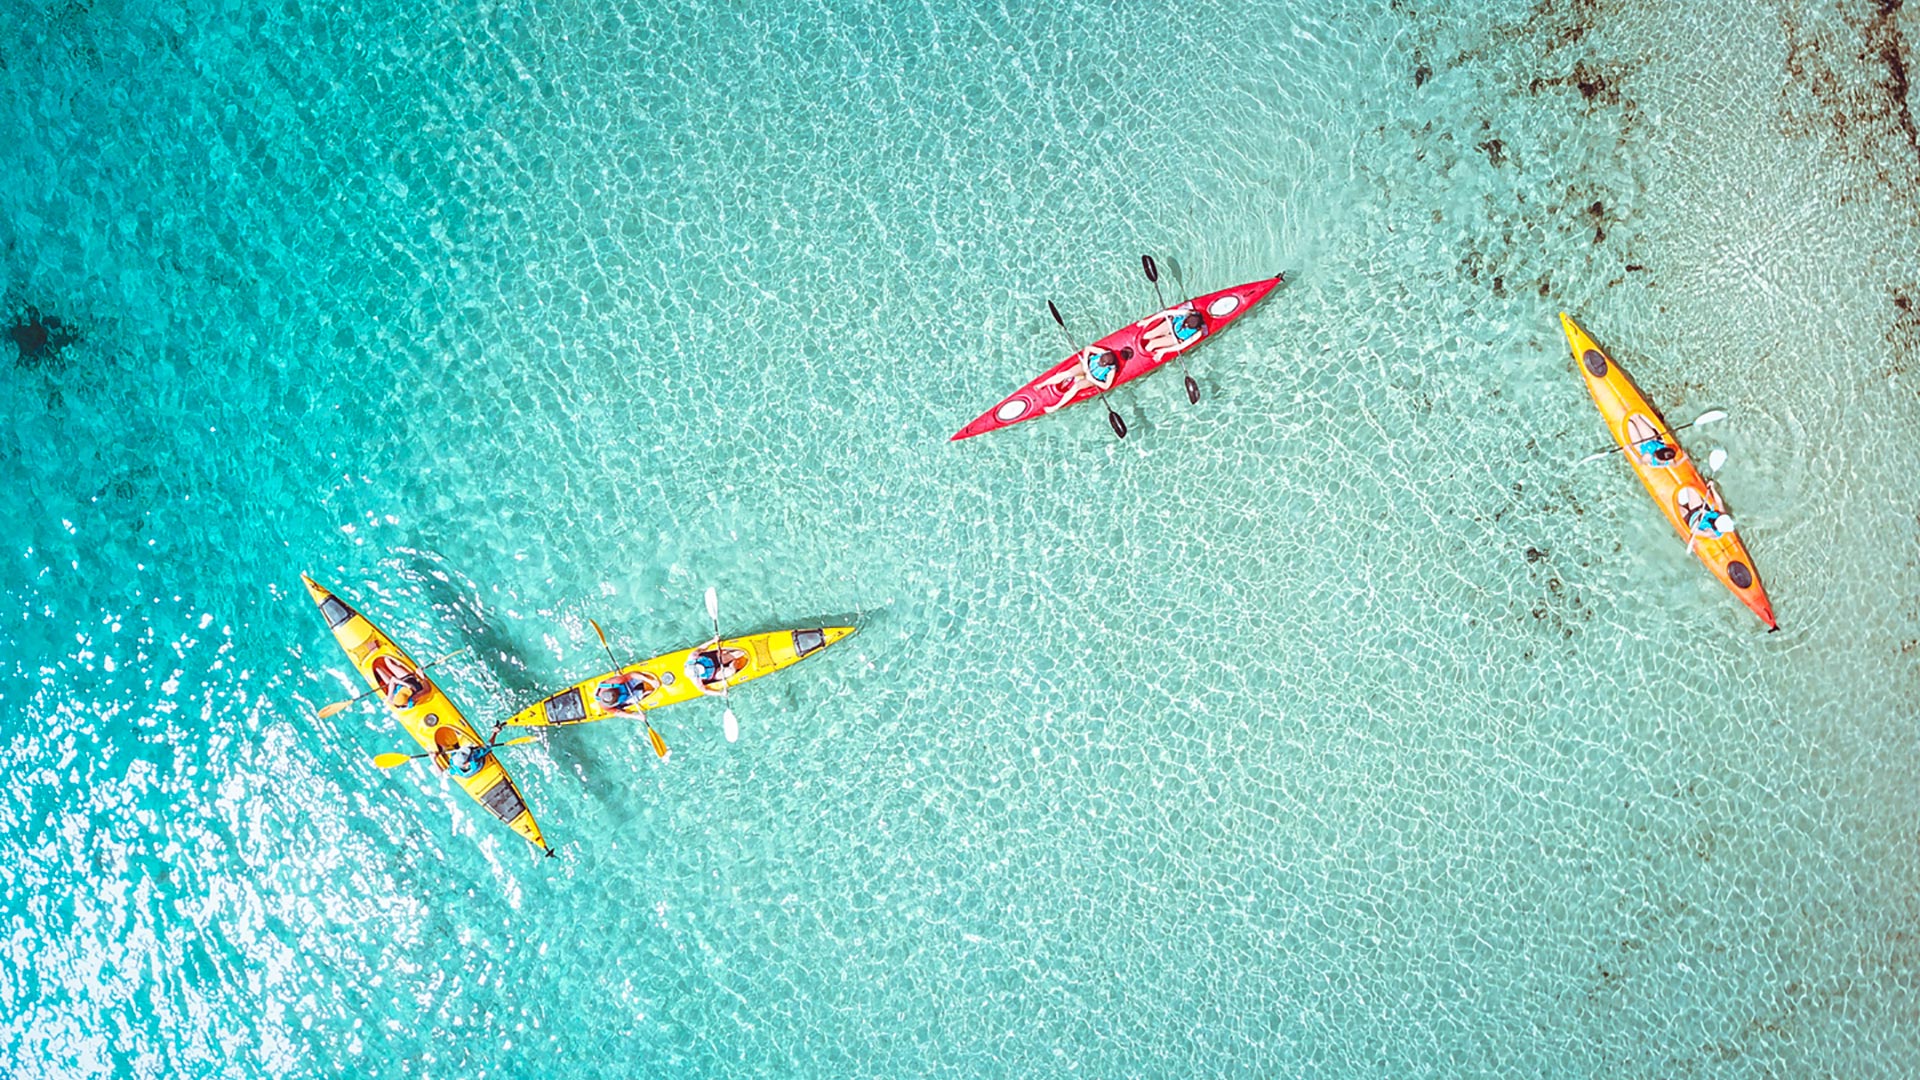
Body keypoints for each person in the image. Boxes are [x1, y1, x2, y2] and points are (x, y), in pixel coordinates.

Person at [1040, 345, 1126, 414]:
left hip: (1093, 378)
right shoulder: (1102, 353)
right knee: (1068, 373)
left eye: (1101, 364)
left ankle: (1055, 407)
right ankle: (1042, 384)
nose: (1099, 362)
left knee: (1076, 386)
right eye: (1100, 361)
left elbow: (1106, 386)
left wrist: (1092, 378)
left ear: (1107, 365)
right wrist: (1085, 363)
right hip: (1086, 367)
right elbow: (1088, 348)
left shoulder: (1111, 370)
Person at [1138, 304, 1206, 363]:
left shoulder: (1198, 333)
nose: (1185, 325)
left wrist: (1164, 350)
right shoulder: (1187, 313)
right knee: (1147, 335)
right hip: (1170, 325)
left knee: (1151, 345)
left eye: (1188, 327)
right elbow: (1166, 312)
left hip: (1175, 338)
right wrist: (1148, 321)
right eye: (1186, 322)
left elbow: (1182, 346)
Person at [1678, 485, 1737, 554]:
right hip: (1698, 509)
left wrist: (1699, 518)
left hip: (1691, 519)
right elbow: (1719, 502)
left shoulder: (1711, 533)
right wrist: (1712, 488)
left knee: (1679, 509)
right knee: (1691, 487)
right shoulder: (1722, 514)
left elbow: (1693, 530)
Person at [594, 670, 661, 717]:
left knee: (641, 677)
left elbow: (632, 675)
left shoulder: (616, 681)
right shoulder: (604, 706)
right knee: (642, 696)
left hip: (625, 684)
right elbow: (618, 713)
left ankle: (644, 682)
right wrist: (635, 716)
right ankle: (643, 694)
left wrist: (650, 681)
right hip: (625, 697)